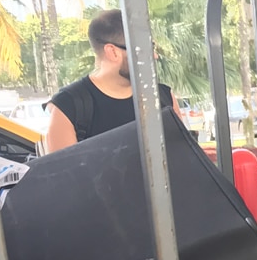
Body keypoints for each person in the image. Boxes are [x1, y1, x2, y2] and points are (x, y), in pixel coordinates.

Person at [43, 9, 181, 154]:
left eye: (151, 47)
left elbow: (183, 158)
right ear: (112, 52)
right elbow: (63, 174)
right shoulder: (69, 107)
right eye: (143, 49)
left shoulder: (163, 97)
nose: (154, 56)